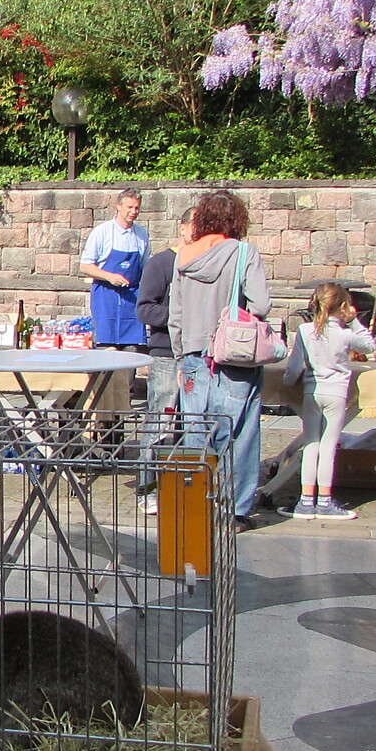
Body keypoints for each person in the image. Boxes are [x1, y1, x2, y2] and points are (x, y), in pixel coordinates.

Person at [168, 190, 272, 528]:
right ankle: (234, 512)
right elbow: (260, 305)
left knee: (197, 435)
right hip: (234, 358)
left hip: (193, 358)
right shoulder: (244, 253)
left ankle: (196, 506)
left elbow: (176, 314)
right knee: (239, 435)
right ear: (236, 220)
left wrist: (181, 353)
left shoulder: (183, 256)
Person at [283, 283, 376, 521]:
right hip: (336, 392)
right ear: (344, 307)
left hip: (312, 391)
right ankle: (324, 500)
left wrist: (288, 382)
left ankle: (305, 500)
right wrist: (355, 321)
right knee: (328, 447)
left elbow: (294, 367)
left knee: (311, 444)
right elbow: (370, 346)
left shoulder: (305, 331)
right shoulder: (345, 333)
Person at [133, 207, 194, 516]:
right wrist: (180, 317)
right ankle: (146, 487)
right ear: (181, 228)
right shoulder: (160, 264)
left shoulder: (205, 264)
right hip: (166, 354)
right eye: (194, 227)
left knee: (192, 423)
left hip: (198, 357)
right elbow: (144, 309)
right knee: (160, 419)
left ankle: (184, 485)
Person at [80, 187, 149, 350]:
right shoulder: (102, 232)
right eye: (129, 207)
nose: (133, 211)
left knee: (132, 348)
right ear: (119, 206)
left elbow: (146, 265)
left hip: (132, 298)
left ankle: (128, 376)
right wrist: (109, 276)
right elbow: (85, 266)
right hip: (106, 297)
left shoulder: (141, 234)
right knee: (105, 346)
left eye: (137, 208)